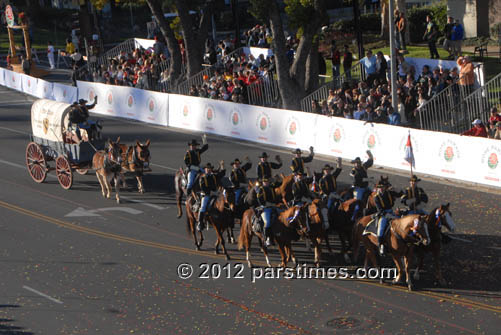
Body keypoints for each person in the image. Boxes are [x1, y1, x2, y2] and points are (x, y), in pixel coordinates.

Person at [197, 162, 226, 231]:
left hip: (215, 193)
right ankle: (200, 223)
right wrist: (211, 192)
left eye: (210, 169)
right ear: (205, 169)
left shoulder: (213, 176)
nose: (209, 170)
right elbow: (203, 188)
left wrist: (222, 166)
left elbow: (221, 174)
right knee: (203, 207)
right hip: (206, 194)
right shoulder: (202, 178)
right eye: (207, 169)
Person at [374, 178, 398, 255]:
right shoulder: (376, 197)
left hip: (391, 211)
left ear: (385, 187)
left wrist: (399, 190)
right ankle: (380, 245)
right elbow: (379, 209)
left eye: (383, 187)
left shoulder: (389, 193)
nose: (381, 188)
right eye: (380, 187)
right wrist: (387, 215)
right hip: (383, 214)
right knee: (380, 230)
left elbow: (398, 194)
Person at [318, 158, 343, 230]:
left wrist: (339, 162)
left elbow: (339, 169)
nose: (328, 171)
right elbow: (324, 190)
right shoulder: (322, 180)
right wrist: (331, 195)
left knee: (343, 201)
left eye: (329, 170)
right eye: (326, 170)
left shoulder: (333, 176)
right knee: (327, 208)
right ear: (324, 171)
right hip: (327, 196)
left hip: (335, 194)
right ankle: (327, 221)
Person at [256, 178, 279, 246]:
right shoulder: (261, 189)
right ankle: (267, 238)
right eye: (265, 182)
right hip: (265, 208)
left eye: (267, 181)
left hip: (274, 207)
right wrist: (267, 204)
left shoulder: (271, 188)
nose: (266, 183)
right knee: (267, 222)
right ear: (263, 182)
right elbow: (259, 199)